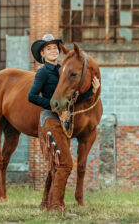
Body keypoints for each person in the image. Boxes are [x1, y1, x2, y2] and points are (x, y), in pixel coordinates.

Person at [28, 34, 100, 211]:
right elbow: (31, 96)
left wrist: (92, 91)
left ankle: (46, 203)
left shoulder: (62, 70)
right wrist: (54, 107)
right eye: (48, 49)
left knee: (57, 163)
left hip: (61, 122)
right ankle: (55, 207)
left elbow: (71, 99)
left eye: (55, 48)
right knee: (66, 164)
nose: (53, 51)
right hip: (50, 120)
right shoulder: (43, 72)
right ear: (42, 55)